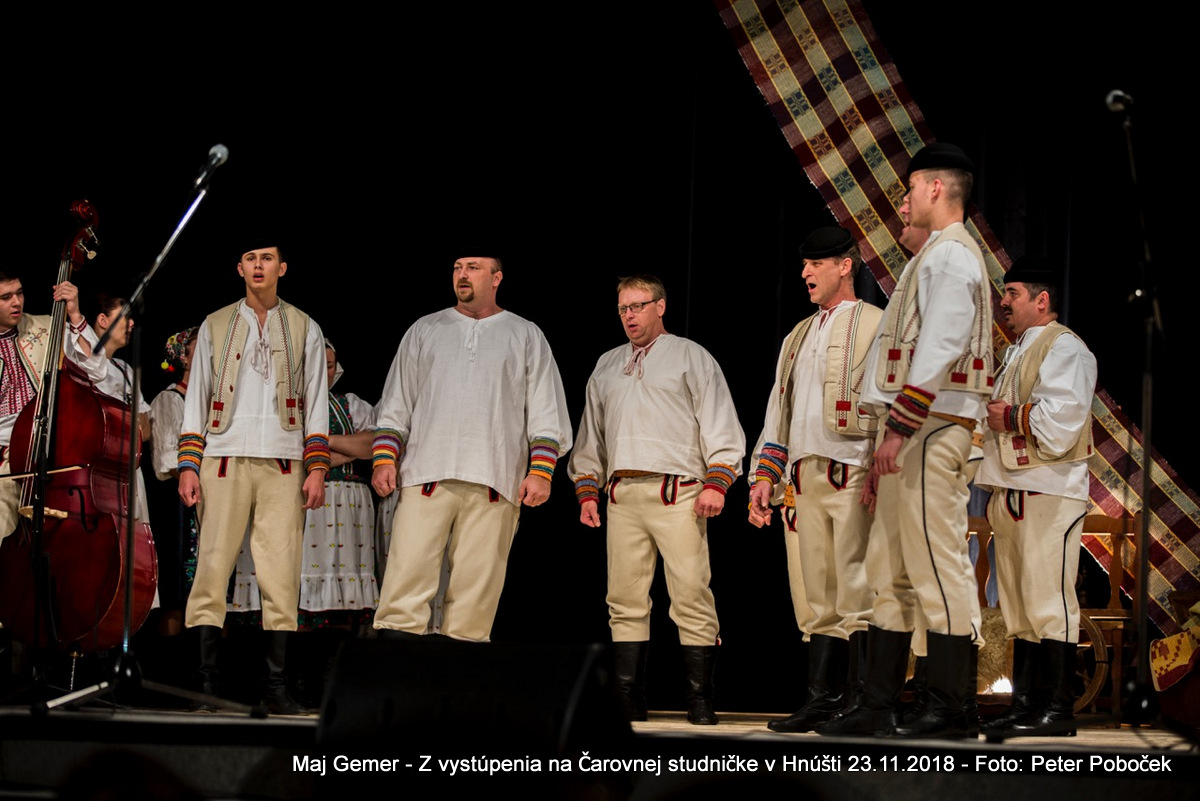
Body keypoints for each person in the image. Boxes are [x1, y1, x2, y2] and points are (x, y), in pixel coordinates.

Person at [818, 143, 993, 739]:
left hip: (932, 426)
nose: (907, 199)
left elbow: (941, 343)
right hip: (915, 427)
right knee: (888, 565)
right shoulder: (934, 257)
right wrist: (884, 441)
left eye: (911, 187)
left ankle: (951, 704)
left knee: (937, 562)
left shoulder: (952, 255)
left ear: (936, 187)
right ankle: (880, 701)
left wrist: (900, 426)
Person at [569, 274, 744, 725]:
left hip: (677, 494)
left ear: (660, 306)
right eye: (623, 309)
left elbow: (720, 421)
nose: (629, 316)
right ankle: (629, 699)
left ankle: (700, 699)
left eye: (638, 306)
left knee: (691, 594)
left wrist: (717, 481)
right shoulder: (607, 364)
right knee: (624, 599)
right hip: (623, 495)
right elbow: (591, 437)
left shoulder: (690, 356)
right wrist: (587, 490)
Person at [371, 252, 571, 643]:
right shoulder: (425, 329)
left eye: (473, 268)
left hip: (494, 480)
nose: (462, 275)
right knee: (403, 589)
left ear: (496, 278)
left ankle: (457, 680)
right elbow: (396, 403)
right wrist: (384, 459)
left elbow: (546, 410)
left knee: (474, 603)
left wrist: (540, 471)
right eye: (457, 268)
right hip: (427, 475)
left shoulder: (525, 334)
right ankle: (396, 676)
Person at [178, 241, 329, 715]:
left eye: (266, 258)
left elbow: (317, 399)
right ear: (239, 267)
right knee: (211, 570)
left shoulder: (304, 325)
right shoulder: (216, 323)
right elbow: (197, 395)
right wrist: (188, 463)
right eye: (250, 259)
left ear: (282, 267)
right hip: (223, 457)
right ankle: (206, 688)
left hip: (284, 461)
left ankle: (276, 688)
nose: (258, 266)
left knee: (281, 574)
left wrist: (317, 466)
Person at [749, 227, 882, 733]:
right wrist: (766, 475)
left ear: (845, 266)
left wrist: (880, 472)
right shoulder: (797, 336)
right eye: (804, 265)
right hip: (803, 476)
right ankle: (823, 699)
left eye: (816, 264)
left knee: (856, 587)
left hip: (852, 470)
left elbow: (888, 404)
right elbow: (778, 412)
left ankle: (863, 701)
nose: (805, 272)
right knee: (816, 593)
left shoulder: (875, 324)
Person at [977, 256, 1097, 737]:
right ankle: (1026, 704)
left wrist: (1009, 416)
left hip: (1049, 491)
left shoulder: (1064, 347)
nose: (1003, 303)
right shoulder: (1017, 351)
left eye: (1013, 294)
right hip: (1011, 489)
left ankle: (1057, 706)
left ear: (1041, 299)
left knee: (1048, 598)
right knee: (1019, 604)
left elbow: (1062, 418)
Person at [0, 272, 101, 543]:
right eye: (6, 297)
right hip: (5, 456)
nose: (16, 302)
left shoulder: (46, 326)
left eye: (19, 293)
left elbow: (96, 369)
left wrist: (75, 315)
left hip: (51, 449)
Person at [148, 326, 200, 618]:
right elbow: (168, 460)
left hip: (214, 497)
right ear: (183, 357)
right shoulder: (170, 399)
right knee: (179, 585)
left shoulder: (216, 401)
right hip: (180, 503)